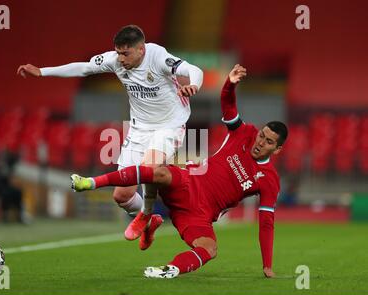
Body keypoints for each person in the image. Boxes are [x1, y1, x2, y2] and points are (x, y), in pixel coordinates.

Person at [70, 64, 288, 279]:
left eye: (268, 142)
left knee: (210, 248)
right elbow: (228, 105)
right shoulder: (245, 133)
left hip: (199, 213)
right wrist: (229, 84)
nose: (260, 142)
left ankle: (170, 269)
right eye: (262, 135)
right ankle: (92, 183)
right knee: (158, 171)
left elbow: (266, 223)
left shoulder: (270, 180)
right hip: (189, 181)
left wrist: (267, 265)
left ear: (277, 149)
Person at [17, 25, 203, 241]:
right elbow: (83, 68)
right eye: (118, 53)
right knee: (122, 195)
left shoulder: (158, 56)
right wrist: (42, 71)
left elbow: (193, 69)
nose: (121, 59)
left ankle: (145, 213)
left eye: (126, 53)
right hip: (139, 128)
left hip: (169, 125)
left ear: (141, 49)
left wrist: (194, 86)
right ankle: (151, 221)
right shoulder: (114, 60)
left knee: (148, 168)